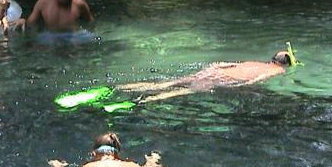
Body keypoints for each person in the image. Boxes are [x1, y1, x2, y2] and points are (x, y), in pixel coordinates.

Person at [119, 49, 295, 104]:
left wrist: (212, 68)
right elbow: (258, 80)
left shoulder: (254, 62)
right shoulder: (277, 71)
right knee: (184, 91)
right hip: (223, 79)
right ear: (286, 64)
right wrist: (243, 86)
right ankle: (146, 100)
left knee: (172, 82)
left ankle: (127, 87)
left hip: (214, 72)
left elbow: (225, 63)